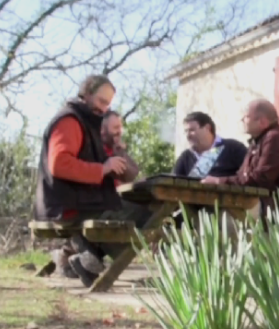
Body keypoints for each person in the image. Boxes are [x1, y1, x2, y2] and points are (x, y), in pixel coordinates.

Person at [34, 74, 150, 287]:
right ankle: (90, 257)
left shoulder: (85, 122)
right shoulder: (69, 120)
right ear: (86, 94)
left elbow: (129, 174)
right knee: (148, 211)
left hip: (79, 202)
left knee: (140, 210)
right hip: (69, 206)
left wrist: (116, 159)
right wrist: (103, 168)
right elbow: (59, 163)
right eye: (101, 101)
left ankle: (89, 260)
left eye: (108, 104)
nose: (104, 108)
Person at [202, 99, 279, 220]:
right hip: (266, 203)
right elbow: (243, 175)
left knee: (225, 219)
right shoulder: (258, 141)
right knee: (207, 210)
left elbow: (260, 180)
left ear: (262, 122)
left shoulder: (275, 138)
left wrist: (219, 181)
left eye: (246, 117)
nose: (242, 120)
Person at [172, 111, 247, 179]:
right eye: (186, 131)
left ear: (207, 128)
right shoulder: (186, 157)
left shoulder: (233, 148)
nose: (188, 135)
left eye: (192, 130)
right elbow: (172, 185)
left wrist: (220, 181)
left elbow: (248, 178)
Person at [101, 110, 140, 186]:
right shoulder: (94, 149)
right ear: (102, 130)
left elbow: (133, 173)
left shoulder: (116, 150)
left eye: (120, 128)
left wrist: (120, 152)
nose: (119, 131)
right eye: (116, 127)